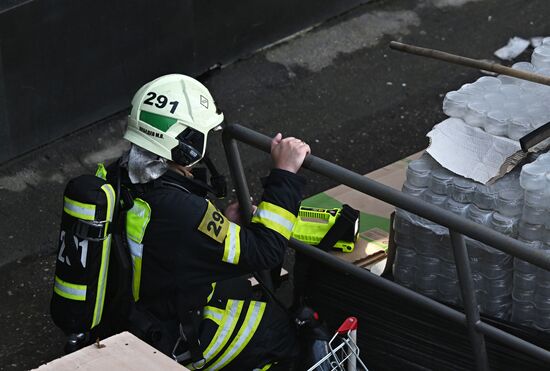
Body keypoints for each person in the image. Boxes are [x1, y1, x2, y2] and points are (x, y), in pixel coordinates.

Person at [111, 73, 311, 370]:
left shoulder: (119, 175)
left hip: (135, 310)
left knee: (241, 289)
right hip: (169, 337)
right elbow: (265, 251)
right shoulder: (180, 208)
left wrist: (225, 223)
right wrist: (284, 175)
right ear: (187, 144)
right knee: (278, 329)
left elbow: (166, 238)